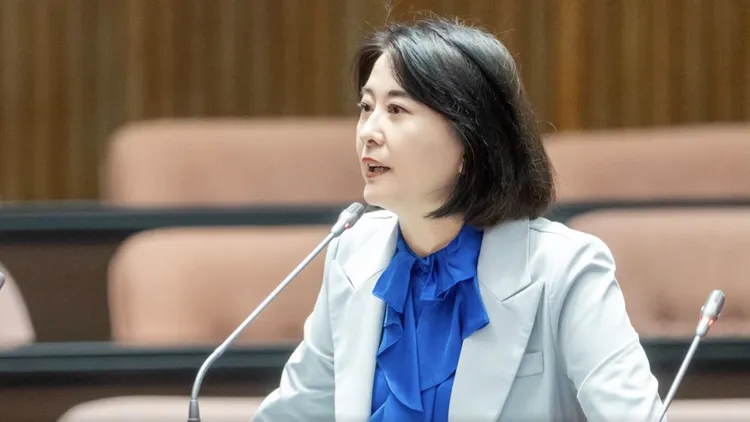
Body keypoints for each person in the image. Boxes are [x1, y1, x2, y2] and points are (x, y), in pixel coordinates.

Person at [253, 16, 664, 422]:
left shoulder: (565, 269)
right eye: (366, 107)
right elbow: (296, 411)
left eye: (396, 109)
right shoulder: (351, 255)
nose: (368, 132)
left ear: (469, 142)